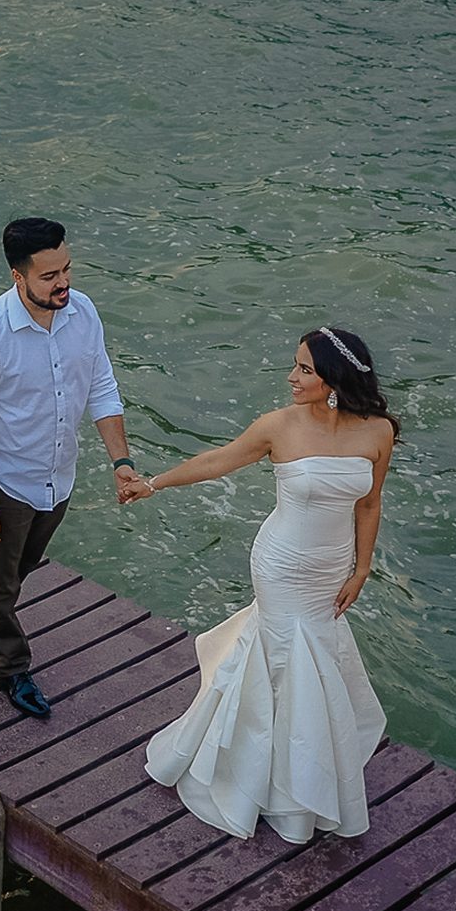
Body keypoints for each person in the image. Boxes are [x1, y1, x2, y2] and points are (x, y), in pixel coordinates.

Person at [120, 327, 399, 843]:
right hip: (282, 564)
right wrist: (152, 483)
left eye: (305, 370)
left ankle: (300, 769)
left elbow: (369, 502)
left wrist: (361, 569)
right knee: (286, 659)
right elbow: (217, 461)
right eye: (294, 365)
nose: (291, 377)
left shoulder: (377, 432)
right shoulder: (278, 426)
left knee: (311, 659)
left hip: (332, 567)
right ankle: (266, 778)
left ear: (333, 380)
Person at [0, 217, 140, 718]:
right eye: (49, 275)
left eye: (67, 269)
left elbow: (102, 385)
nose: (64, 283)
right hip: (7, 482)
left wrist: (120, 461)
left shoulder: (83, 314)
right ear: (18, 276)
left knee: (19, 569)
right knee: (1, 583)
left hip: (59, 475)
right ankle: (12, 668)